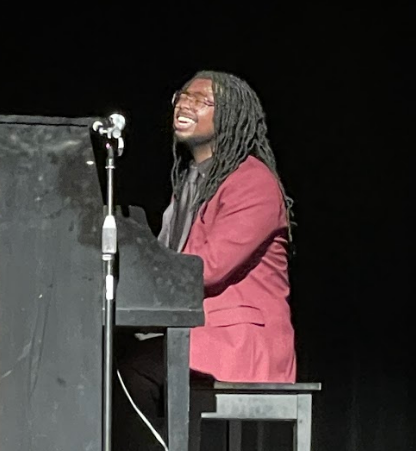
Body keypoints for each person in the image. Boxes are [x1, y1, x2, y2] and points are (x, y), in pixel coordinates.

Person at [111, 70, 297, 450]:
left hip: (236, 339)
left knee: (130, 371)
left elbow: (207, 267)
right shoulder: (191, 182)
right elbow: (163, 259)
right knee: (108, 359)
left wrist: (147, 273)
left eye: (202, 100)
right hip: (196, 334)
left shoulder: (252, 182)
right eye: (183, 95)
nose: (185, 103)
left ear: (230, 116)